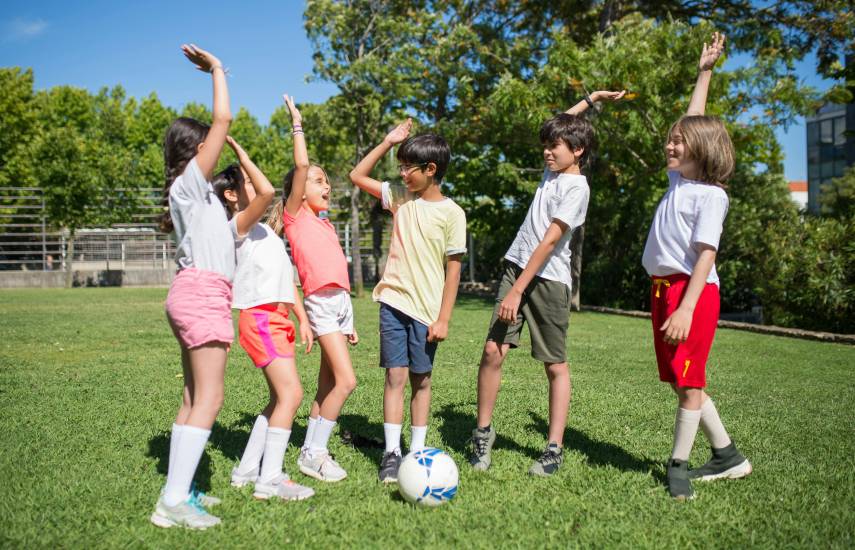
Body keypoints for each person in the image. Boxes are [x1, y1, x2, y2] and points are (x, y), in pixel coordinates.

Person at [469, 89, 625, 477]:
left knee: (554, 364)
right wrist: (591, 99)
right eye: (545, 146)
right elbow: (563, 121)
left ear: (578, 150)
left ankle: (553, 448)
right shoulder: (551, 172)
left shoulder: (577, 188)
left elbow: (551, 240)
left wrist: (519, 289)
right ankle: (482, 433)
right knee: (493, 351)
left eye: (554, 146)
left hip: (548, 282)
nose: (546, 152)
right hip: (516, 269)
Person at [640, 32, 751, 499]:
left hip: (693, 293)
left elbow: (707, 254)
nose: (671, 144)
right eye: (670, 140)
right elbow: (692, 118)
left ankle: (678, 465)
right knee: (681, 380)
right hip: (664, 290)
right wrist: (704, 72)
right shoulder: (678, 183)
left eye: (680, 142)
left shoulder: (711, 195)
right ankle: (727, 455)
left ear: (701, 151)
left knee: (689, 384)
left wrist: (686, 308)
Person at [349, 119, 467, 483]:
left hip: (427, 312)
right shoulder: (400, 200)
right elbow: (357, 175)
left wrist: (443, 319)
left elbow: (453, 270)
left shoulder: (453, 213)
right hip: (393, 303)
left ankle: (417, 453)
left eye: (407, 168)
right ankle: (391, 453)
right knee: (395, 376)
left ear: (431, 170)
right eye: (399, 166)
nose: (401, 174)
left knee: (422, 380)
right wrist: (388, 141)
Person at [151, 44, 239, 529]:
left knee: (193, 398)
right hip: (202, 293)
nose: (217, 149)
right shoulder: (188, 183)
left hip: (200, 292)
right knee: (209, 399)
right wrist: (217, 70)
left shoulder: (198, 194)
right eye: (208, 145)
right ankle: (173, 501)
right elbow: (222, 120)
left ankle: (181, 492)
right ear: (194, 149)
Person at [211, 137, 314, 501]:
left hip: (277, 317)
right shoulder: (237, 226)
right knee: (292, 395)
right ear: (232, 196)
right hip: (260, 319)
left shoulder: (264, 232)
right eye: (247, 183)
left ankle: (246, 470)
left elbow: (285, 277)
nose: (257, 186)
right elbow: (268, 192)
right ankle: (269, 479)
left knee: (278, 400)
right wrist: (241, 152)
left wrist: (301, 316)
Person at [268, 95, 357, 483]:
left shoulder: (325, 224)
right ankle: (314, 452)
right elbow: (301, 164)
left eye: (327, 181)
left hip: (337, 303)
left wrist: (349, 316)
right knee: (347, 381)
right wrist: (297, 124)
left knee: (326, 386)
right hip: (319, 303)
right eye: (319, 181)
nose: (327, 186)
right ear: (300, 190)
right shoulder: (296, 217)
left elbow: (338, 275)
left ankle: (311, 448)